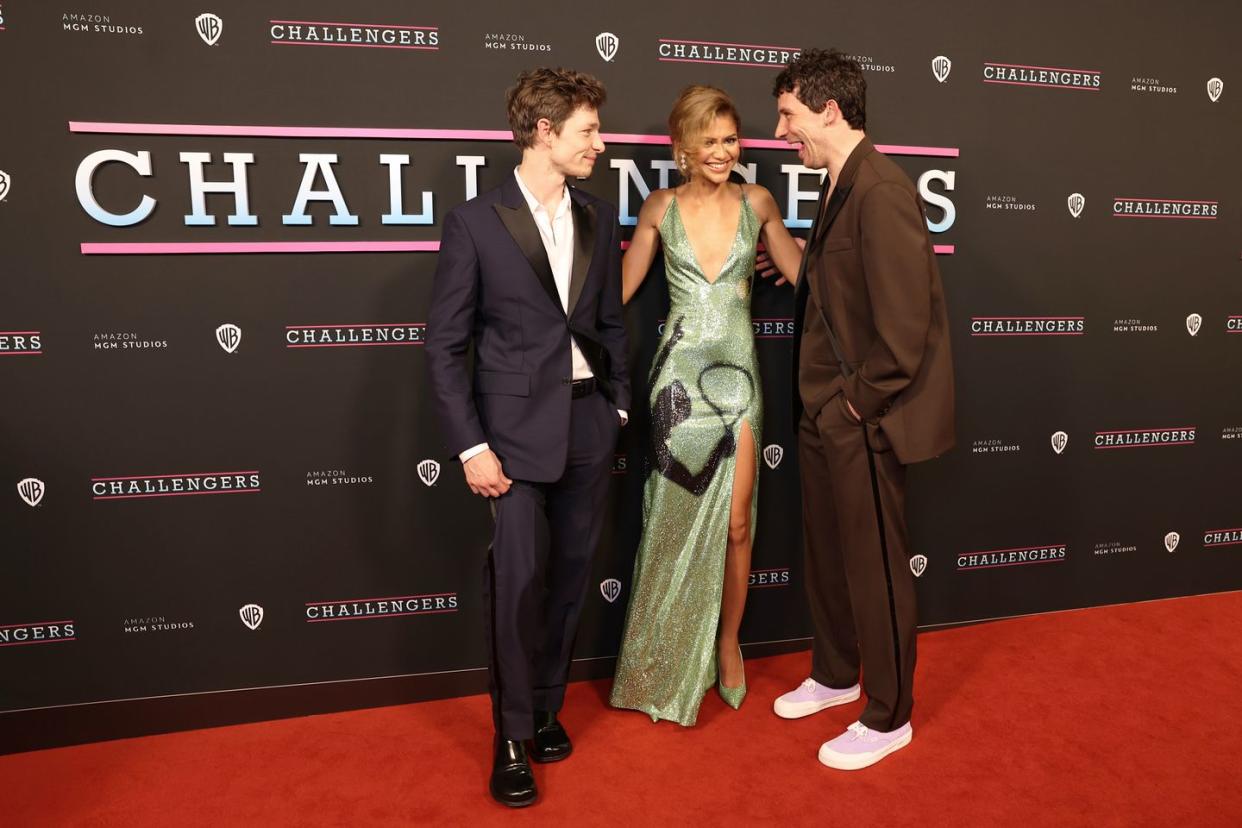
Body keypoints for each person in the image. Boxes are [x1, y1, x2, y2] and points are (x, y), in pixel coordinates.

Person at [425, 67, 630, 807]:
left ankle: (545, 708)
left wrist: (619, 407)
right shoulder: (477, 221)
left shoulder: (600, 219)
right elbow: (446, 346)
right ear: (544, 133)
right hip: (508, 439)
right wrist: (471, 446)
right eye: (588, 132)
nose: (599, 146)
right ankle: (510, 736)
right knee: (516, 588)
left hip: (586, 424)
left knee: (571, 579)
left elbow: (610, 324)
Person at [769, 49, 955, 769]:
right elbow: (838, 290)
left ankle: (889, 715)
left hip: (861, 417)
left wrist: (853, 407)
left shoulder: (879, 189)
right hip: (822, 411)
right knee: (828, 556)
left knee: (873, 566)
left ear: (829, 110)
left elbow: (906, 331)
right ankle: (837, 673)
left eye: (788, 115)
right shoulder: (838, 183)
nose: (783, 132)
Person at [609, 85, 803, 725]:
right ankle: (657, 658)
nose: (723, 152)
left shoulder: (758, 202)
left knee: (737, 521)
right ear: (683, 150)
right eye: (709, 142)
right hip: (678, 382)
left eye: (730, 139)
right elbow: (620, 289)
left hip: (739, 377)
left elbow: (807, 276)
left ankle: (727, 642)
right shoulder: (659, 207)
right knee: (669, 522)